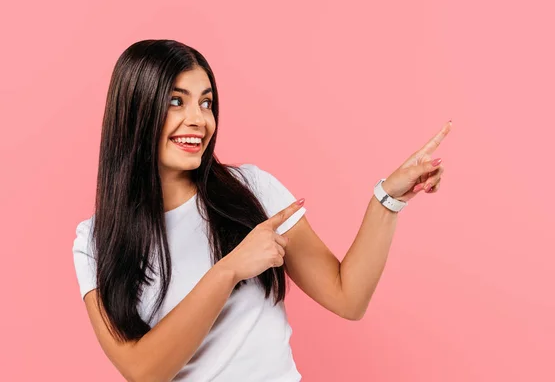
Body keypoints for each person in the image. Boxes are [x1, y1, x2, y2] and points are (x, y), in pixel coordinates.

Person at [72, 39, 452, 382]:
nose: (198, 119)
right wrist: (230, 269)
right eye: (176, 101)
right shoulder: (94, 242)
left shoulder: (250, 191)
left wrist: (387, 198)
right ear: (135, 111)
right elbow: (143, 372)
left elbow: (348, 297)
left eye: (206, 102)